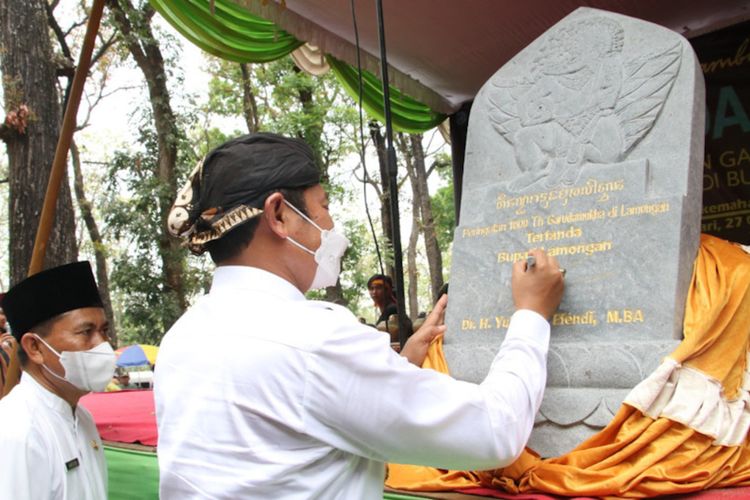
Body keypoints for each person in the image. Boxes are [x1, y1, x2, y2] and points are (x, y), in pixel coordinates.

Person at [156, 132, 564, 499]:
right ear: (279, 214)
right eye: (324, 207)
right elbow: (493, 431)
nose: (331, 225)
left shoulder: (182, 337)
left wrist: (398, 367)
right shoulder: (316, 339)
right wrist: (531, 314)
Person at [0, 262, 115, 500]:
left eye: (104, 331)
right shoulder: (17, 430)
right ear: (35, 348)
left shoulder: (82, 418)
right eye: (86, 332)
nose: (102, 344)